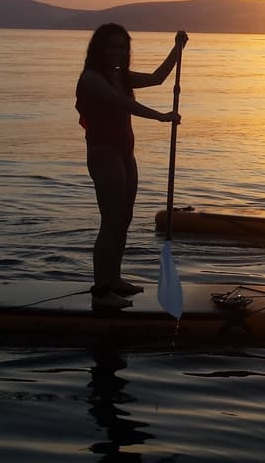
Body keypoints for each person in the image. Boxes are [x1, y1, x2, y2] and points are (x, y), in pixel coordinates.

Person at [76, 24, 188, 310]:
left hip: (126, 154)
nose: (118, 51)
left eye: (123, 47)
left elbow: (158, 78)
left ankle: (114, 280)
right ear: (98, 49)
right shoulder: (92, 78)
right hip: (104, 155)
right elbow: (122, 104)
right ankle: (100, 292)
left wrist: (177, 49)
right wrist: (161, 117)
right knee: (111, 222)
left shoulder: (119, 76)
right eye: (111, 46)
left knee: (123, 219)